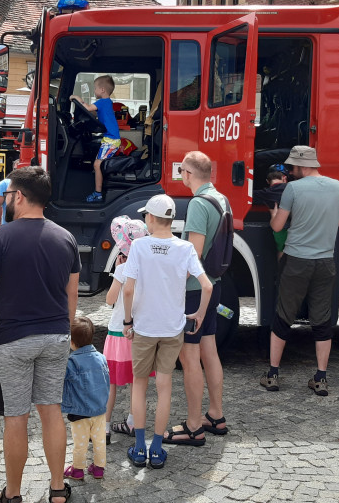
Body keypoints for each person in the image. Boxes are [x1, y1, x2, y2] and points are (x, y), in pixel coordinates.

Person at [0, 166, 80, 503]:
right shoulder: (66, 237)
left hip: (13, 339)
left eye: (9, 193)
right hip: (56, 335)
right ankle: (58, 490)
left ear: (18, 196)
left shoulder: (1, 236)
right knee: (52, 412)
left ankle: (12, 495)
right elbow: (71, 295)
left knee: (16, 418)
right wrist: (64, 329)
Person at [121, 194, 212, 470]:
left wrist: (127, 322)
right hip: (172, 329)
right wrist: (199, 315)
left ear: (149, 218)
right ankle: (157, 449)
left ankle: (139, 447)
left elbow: (127, 288)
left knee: (139, 385)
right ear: (171, 220)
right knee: (164, 387)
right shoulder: (184, 248)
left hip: (145, 327)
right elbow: (206, 286)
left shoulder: (139, 246)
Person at [263, 146, 339, 396]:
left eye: (292, 167)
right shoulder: (337, 187)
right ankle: (320, 378)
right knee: (322, 320)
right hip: (325, 262)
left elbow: (278, 227)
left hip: (296, 259)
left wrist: (274, 213)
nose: (290, 171)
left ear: (302, 165)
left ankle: (273, 375)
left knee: (284, 315)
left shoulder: (293, 189)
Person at [164, 151, 232, 447]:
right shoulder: (221, 198)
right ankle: (215, 415)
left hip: (194, 290)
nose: (181, 176)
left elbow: (194, 253)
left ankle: (193, 427)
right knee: (209, 351)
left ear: (188, 174)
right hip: (214, 285)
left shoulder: (198, 204)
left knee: (188, 357)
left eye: (182, 171)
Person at [104, 216, 150, 440]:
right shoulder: (147, 270)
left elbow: (110, 299)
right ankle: (132, 422)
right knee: (136, 381)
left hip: (116, 332)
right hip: (138, 333)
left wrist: (116, 273)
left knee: (111, 382)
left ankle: (104, 427)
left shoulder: (123, 271)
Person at [62, 316, 110, 482]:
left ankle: (77, 469)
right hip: (99, 410)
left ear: (72, 341)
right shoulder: (102, 358)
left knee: (80, 443)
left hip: (79, 411)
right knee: (99, 441)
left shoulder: (72, 362)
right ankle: (98, 468)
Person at [69, 75, 120, 203]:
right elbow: (91, 113)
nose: (94, 91)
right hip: (109, 139)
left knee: (97, 165)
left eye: (95, 88)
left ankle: (98, 193)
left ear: (102, 90)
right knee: (97, 164)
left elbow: (87, 108)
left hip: (111, 140)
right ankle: (98, 188)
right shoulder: (106, 103)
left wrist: (76, 98)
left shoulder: (103, 102)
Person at [253, 165, 290, 259]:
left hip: (280, 229)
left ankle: (281, 272)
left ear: (268, 181)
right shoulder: (293, 189)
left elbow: (247, 196)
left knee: (281, 251)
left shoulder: (266, 193)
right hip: (297, 227)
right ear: (284, 178)